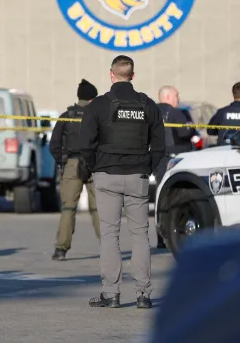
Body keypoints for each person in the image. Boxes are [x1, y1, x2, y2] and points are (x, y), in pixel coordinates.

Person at [78, 55, 165, 309]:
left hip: (107, 175)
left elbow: (85, 143)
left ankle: (111, 293)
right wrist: (145, 167)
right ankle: (143, 294)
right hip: (137, 175)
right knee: (139, 235)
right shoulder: (147, 105)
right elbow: (159, 145)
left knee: (109, 235)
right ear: (133, 76)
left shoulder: (98, 105)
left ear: (111, 74)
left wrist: (96, 168)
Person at [51, 79, 100, 262]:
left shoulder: (67, 115)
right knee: (98, 209)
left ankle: (60, 250)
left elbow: (54, 144)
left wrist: (63, 162)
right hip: (95, 165)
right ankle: (109, 247)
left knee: (68, 208)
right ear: (91, 99)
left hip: (72, 164)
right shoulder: (98, 116)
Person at [154, 86, 195, 250]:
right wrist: (191, 126)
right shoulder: (176, 113)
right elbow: (185, 132)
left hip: (158, 161)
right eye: (176, 95)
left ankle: (160, 237)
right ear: (169, 97)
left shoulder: (151, 112)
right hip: (176, 159)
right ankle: (178, 234)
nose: (178, 98)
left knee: (160, 197)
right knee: (179, 197)